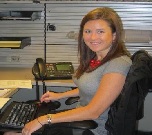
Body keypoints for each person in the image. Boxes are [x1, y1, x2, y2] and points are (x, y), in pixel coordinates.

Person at [4, 7, 132, 135]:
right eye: (88, 31)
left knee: (10, 132)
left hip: (94, 129)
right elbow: (95, 88)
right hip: (81, 120)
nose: (93, 37)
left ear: (114, 36)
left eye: (100, 31)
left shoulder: (118, 64)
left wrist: (44, 120)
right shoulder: (97, 57)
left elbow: (94, 112)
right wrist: (60, 95)